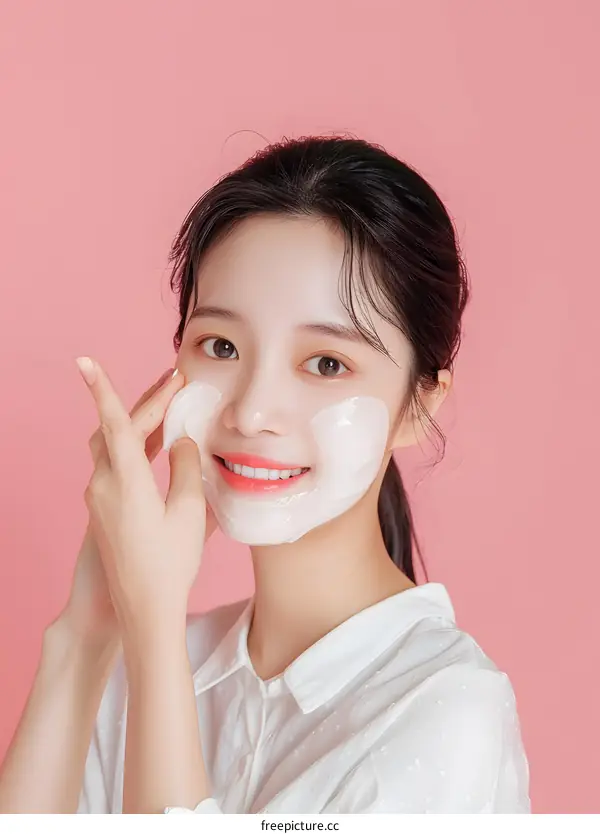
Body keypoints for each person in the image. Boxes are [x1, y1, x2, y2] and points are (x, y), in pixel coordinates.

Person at [0, 136, 531, 814]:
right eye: (221, 346)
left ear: (416, 407)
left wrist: (153, 629)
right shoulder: (156, 653)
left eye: (326, 364)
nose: (251, 411)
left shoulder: (448, 711)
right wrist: (89, 628)